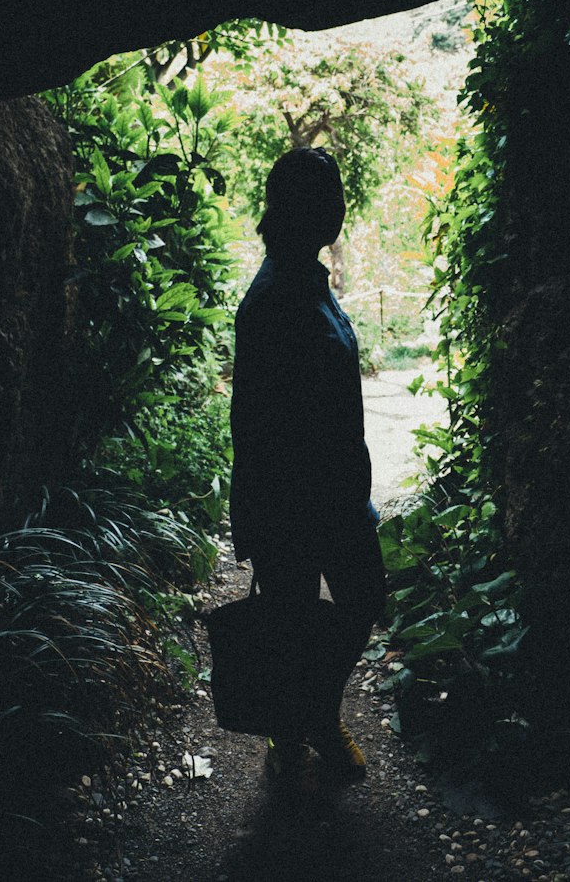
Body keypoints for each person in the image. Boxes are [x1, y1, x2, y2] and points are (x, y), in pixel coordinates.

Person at [229, 146, 386, 784]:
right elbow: (254, 422)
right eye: (327, 195)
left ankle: (308, 716)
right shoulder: (271, 299)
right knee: (298, 618)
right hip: (295, 502)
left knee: (361, 600)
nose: (339, 206)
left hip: (337, 496)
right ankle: (298, 727)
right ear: (300, 210)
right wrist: (256, 520)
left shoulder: (307, 280)